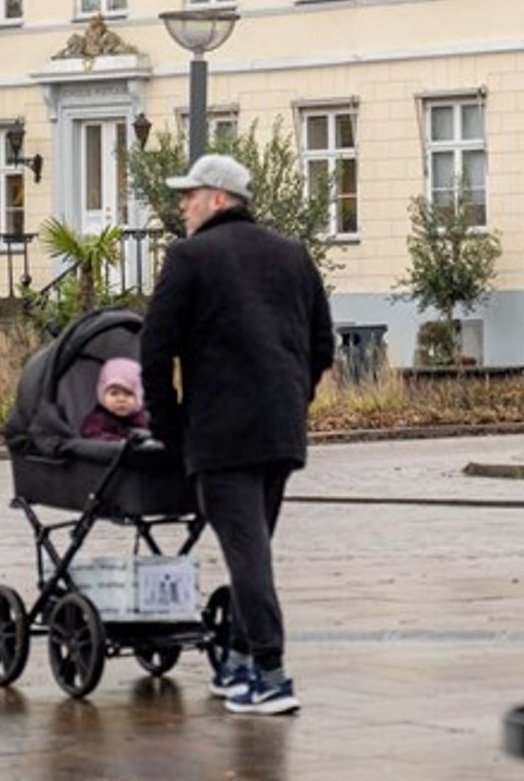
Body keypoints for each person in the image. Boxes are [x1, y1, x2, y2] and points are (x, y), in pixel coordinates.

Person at [139, 154, 334, 718]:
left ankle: (271, 673)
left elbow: (154, 351)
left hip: (220, 436)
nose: (182, 205)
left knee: (248, 555)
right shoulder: (293, 255)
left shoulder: (189, 257)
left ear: (219, 199)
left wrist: (170, 429)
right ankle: (244, 664)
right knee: (255, 548)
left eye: (190, 194)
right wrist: (295, 400)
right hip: (280, 431)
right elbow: (322, 343)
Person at [78, 356, 150, 442]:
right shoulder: (97, 420)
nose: (121, 400)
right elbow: (91, 435)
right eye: (114, 393)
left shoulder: (142, 418)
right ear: (102, 395)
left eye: (128, 393)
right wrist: (118, 441)